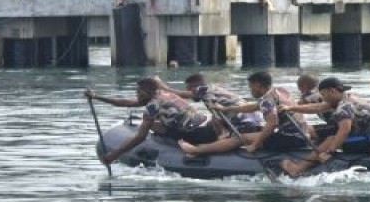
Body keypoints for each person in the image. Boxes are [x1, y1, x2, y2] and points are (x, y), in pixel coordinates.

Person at [278, 77, 370, 177]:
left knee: (331, 139)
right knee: (329, 135)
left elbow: (344, 130)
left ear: (332, 91)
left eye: (323, 94)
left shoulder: (344, 106)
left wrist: (330, 152)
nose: (323, 98)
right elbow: (318, 107)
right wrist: (291, 108)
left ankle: (298, 169)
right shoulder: (348, 98)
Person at [85, 77, 217, 166]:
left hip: (197, 136)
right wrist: (97, 97)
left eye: (137, 92)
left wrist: (115, 154)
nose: (136, 95)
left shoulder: (153, 106)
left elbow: (141, 137)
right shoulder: (166, 95)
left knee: (150, 124)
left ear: (144, 93)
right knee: (155, 123)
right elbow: (127, 103)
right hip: (208, 129)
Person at [179, 71, 307, 156]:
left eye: (251, 87)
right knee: (254, 133)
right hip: (301, 135)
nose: (250, 90)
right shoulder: (277, 93)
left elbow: (272, 123)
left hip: (290, 139)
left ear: (258, 85)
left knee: (241, 138)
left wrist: (255, 145)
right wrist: (225, 109)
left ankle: (196, 150)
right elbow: (252, 107)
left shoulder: (267, 99)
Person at [161, 73, 263, 136]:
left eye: (189, 89)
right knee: (212, 120)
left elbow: (183, 95)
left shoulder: (205, 92)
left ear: (196, 87)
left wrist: (163, 87)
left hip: (245, 125)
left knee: (215, 121)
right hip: (256, 120)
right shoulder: (215, 89)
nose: (189, 92)